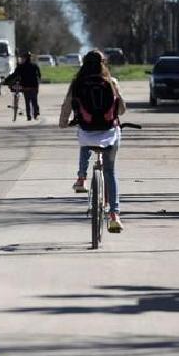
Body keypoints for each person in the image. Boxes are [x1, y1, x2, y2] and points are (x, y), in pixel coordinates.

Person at [59, 50, 127, 232]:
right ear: (103, 64)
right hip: (109, 132)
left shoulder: (77, 83)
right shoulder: (111, 82)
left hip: (87, 131)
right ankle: (114, 215)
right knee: (110, 172)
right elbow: (121, 110)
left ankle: (81, 177)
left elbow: (67, 105)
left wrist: (63, 123)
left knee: (84, 137)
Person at [5, 51, 42, 120]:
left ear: (25, 58)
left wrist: (6, 80)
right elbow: (39, 76)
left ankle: (29, 116)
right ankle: (36, 114)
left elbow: (14, 75)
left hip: (25, 87)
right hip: (34, 86)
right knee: (34, 101)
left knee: (27, 101)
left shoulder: (21, 67)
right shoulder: (35, 66)